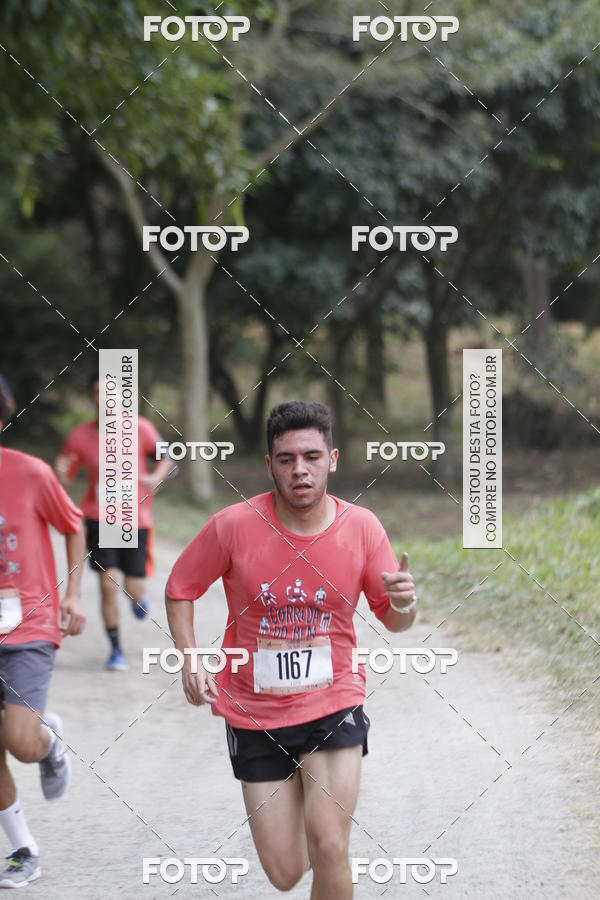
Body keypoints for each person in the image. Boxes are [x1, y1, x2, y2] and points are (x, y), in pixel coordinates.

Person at [165, 400, 417, 899]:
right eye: (286, 459)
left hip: (333, 701)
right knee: (284, 873)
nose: (300, 469)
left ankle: (322, 815)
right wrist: (190, 656)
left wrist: (405, 604)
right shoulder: (233, 526)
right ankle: (307, 797)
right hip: (254, 711)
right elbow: (179, 588)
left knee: (330, 847)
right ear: (270, 465)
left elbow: (394, 619)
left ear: (332, 460)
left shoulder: (362, 527)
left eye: (311, 456)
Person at [0, 377, 86, 888]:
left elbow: (73, 526)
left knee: (20, 742)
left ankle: (46, 740)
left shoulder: (30, 473)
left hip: (27, 626)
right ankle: (23, 849)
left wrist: (73, 595)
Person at [55, 375, 172, 671]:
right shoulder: (80, 436)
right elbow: (66, 475)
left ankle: (138, 599)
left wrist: (155, 477)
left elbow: (167, 456)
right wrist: (61, 471)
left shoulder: (141, 428)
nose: (103, 398)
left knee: (134, 587)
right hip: (99, 518)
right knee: (108, 585)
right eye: (97, 392)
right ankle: (116, 648)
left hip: (136, 518)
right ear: (91, 397)